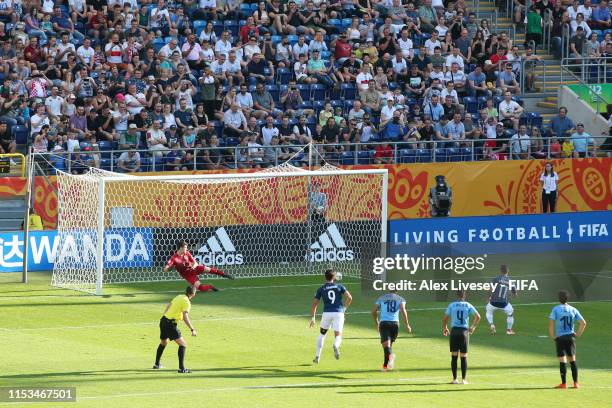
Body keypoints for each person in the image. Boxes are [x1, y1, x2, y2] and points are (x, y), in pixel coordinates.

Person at [309, 269, 353, 364]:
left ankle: (317, 356)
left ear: (325, 277)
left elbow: (314, 304)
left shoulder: (321, 289)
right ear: (334, 277)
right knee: (338, 335)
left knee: (322, 334)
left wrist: (313, 318)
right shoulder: (340, 287)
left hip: (327, 313)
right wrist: (344, 309)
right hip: (338, 313)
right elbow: (349, 297)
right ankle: (336, 345)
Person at [153, 286, 197, 373]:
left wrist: (165, 316)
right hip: (170, 324)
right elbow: (185, 317)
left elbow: (169, 305)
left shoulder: (179, 296)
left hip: (163, 320)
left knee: (163, 342)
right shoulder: (187, 302)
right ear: (193, 294)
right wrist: (192, 329)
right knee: (183, 344)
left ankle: (157, 364)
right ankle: (182, 368)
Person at [549, 290, 587, 389]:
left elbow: (551, 323)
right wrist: (577, 334)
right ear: (567, 299)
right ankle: (576, 383)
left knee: (562, 360)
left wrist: (553, 336)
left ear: (559, 298)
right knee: (572, 360)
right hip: (571, 337)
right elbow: (583, 323)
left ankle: (564, 384)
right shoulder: (573, 309)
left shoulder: (556, 309)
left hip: (560, 338)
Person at [164, 240, 234, 293]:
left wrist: (193, 266)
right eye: (185, 248)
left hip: (194, 268)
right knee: (201, 288)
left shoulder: (187, 253)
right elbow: (165, 269)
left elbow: (195, 262)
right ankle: (211, 287)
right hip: (188, 275)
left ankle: (224, 274)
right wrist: (170, 268)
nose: (187, 249)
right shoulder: (174, 258)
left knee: (210, 270)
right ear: (180, 248)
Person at [443, 290, 481, 384]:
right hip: (464, 332)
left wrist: (445, 328)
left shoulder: (452, 305)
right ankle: (464, 380)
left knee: (454, 356)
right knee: (464, 356)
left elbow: (445, 318)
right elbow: (478, 316)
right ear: (464, 296)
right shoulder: (468, 305)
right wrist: (473, 327)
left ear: (457, 296)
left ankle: (455, 379)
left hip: (454, 331)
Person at [371, 291, 412, 371]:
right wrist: (407, 325)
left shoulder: (382, 298)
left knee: (386, 347)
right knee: (388, 347)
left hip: (384, 323)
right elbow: (403, 311)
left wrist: (377, 323)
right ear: (397, 290)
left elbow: (373, 311)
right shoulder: (401, 299)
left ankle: (391, 356)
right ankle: (385, 367)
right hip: (395, 324)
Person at [485, 265, 517, 335]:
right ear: (508, 271)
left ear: (500, 271)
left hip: (493, 302)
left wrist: (488, 297)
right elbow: (515, 294)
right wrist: (511, 295)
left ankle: (491, 324)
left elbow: (490, 289)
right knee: (510, 313)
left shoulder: (496, 279)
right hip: (504, 304)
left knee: (488, 311)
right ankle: (509, 330)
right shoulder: (510, 281)